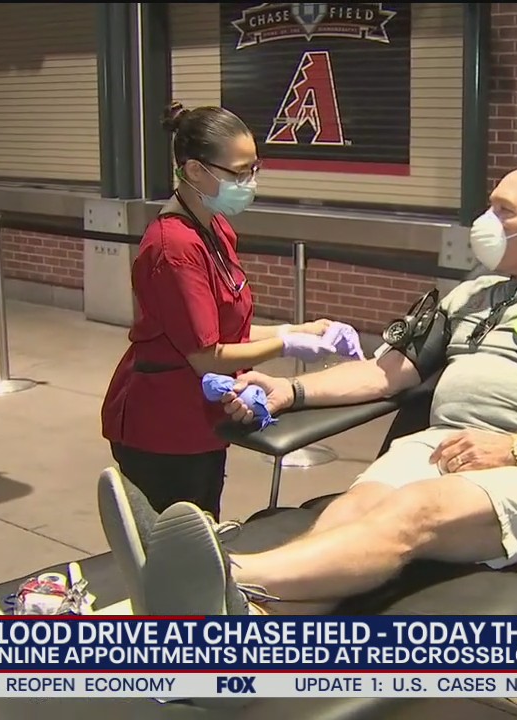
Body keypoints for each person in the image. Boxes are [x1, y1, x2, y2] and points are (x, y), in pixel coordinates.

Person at [136, 165, 517, 616]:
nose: (485, 223)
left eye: (503, 212)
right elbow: (386, 373)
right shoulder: (470, 294)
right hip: (441, 447)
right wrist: (291, 390)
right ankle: (240, 632)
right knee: (352, 511)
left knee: (412, 511)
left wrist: (513, 449)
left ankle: (223, 574)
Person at [100, 101, 353, 519]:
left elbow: (230, 329)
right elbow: (205, 354)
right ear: (196, 170)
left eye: (255, 168)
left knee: (205, 525)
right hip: (163, 427)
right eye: (239, 172)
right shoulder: (174, 248)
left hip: (202, 420)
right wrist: (286, 345)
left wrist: (299, 329)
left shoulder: (215, 227)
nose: (250, 181)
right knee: (179, 546)